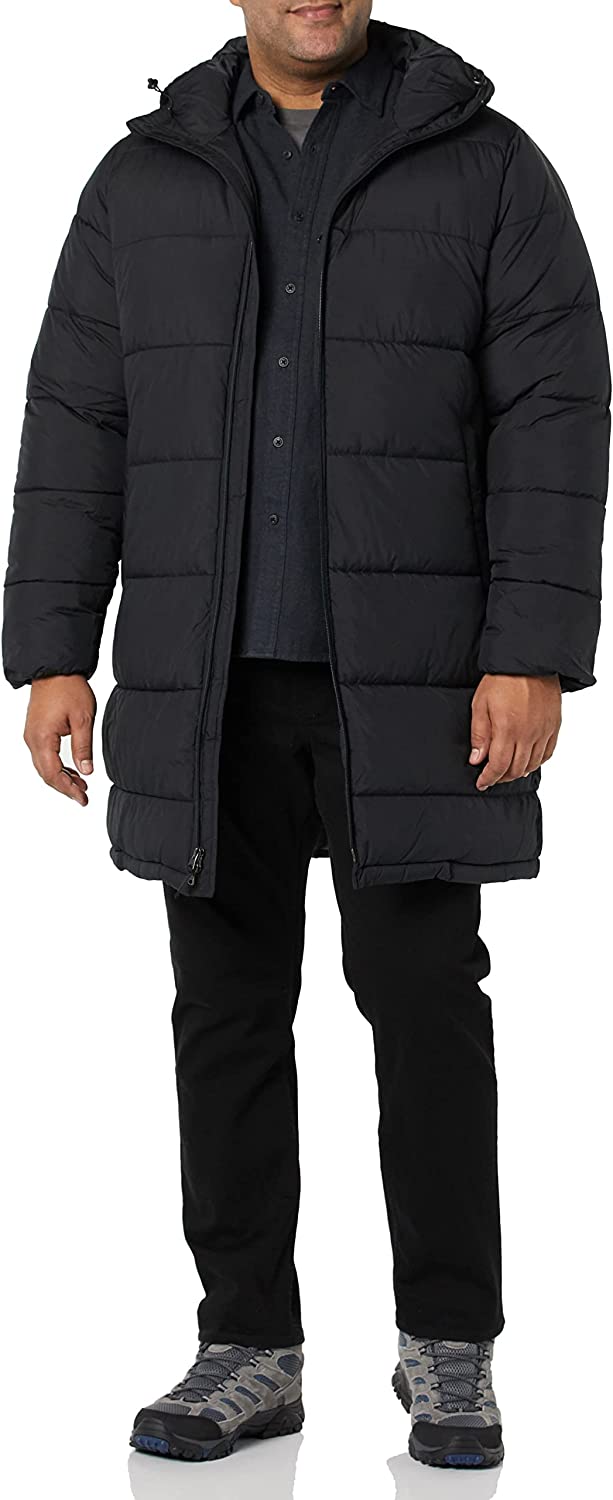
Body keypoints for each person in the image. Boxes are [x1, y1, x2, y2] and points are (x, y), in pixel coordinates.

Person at [3, 0, 610, 1472]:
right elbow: (79, 417)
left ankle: (449, 1347)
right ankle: (247, 1346)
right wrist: (53, 650)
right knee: (221, 1011)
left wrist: (530, 651)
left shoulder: (485, 164)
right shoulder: (142, 178)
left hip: (414, 677)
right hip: (205, 675)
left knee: (423, 1003)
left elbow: (553, 410)